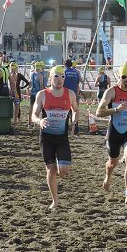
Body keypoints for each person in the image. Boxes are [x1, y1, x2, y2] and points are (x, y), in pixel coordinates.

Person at [95, 61, 127, 205]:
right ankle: (107, 177)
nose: (126, 80)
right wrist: (116, 110)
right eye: (123, 77)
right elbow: (99, 112)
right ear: (119, 77)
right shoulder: (111, 91)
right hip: (114, 132)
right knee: (113, 162)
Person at [32, 65, 78, 210]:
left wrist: (73, 121)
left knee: (64, 171)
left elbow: (76, 110)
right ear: (50, 78)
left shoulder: (70, 94)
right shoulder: (42, 94)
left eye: (62, 76)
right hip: (46, 138)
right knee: (51, 170)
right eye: (56, 76)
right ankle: (55, 201)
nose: (60, 79)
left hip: (62, 138)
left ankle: (60, 168)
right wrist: (39, 121)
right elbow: (33, 115)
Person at [62, 59, 82, 134]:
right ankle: (75, 129)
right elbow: (78, 84)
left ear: (65, 65)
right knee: (75, 111)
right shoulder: (76, 72)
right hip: (74, 94)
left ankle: (66, 128)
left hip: (66, 94)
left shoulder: (64, 72)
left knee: (66, 112)